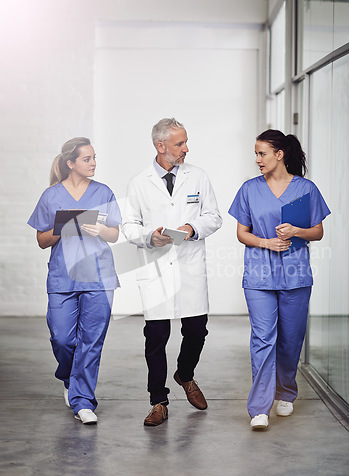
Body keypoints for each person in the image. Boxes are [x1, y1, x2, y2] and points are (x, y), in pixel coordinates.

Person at [121, 118, 222, 426]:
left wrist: (193, 227)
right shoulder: (139, 182)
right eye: (179, 144)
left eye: (185, 142)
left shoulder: (198, 177)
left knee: (196, 330)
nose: (186, 149)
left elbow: (214, 217)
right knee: (156, 337)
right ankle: (158, 402)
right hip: (156, 269)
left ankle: (185, 374)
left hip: (189, 266)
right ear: (160, 146)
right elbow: (129, 227)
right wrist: (149, 237)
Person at [228, 129, 330, 431]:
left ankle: (285, 392)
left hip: (296, 275)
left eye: (262, 153)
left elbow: (318, 231)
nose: (257, 159)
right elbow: (241, 233)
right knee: (262, 339)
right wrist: (266, 243)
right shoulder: (249, 189)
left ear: (279, 154)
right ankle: (259, 407)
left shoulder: (306, 189)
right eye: (256, 154)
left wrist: (296, 232)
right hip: (259, 275)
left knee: (289, 339)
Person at [28, 137, 121, 425]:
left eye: (94, 158)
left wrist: (100, 230)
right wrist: (64, 228)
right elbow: (42, 240)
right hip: (62, 277)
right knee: (63, 338)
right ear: (70, 163)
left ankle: (83, 401)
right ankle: (69, 377)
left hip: (98, 276)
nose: (93, 163)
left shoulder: (103, 192)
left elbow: (115, 234)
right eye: (87, 159)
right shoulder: (51, 196)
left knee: (91, 341)